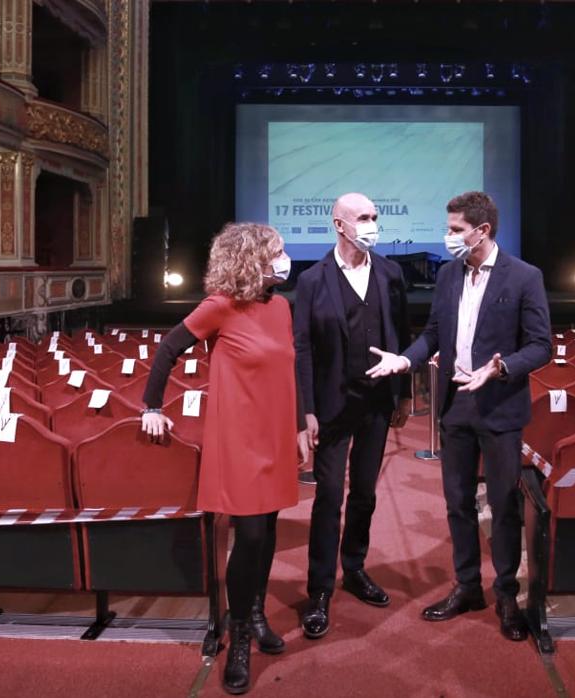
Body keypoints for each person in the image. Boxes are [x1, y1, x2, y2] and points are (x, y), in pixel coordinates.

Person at [366, 191, 552, 642]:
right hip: (455, 406)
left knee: (504, 506)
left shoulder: (525, 277)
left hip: (500, 406)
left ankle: (506, 593)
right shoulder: (449, 275)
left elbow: (541, 344)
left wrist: (501, 366)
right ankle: (468, 586)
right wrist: (404, 361)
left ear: (481, 230)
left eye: (455, 230)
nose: (447, 237)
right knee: (457, 503)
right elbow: (432, 334)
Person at [141, 222, 309, 694]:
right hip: (238, 440)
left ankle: (256, 615)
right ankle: (237, 638)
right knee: (250, 534)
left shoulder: (280, 307)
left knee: (268, 529)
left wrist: (298, 427)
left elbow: (288, 371)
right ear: (252, 258)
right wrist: (152, 406)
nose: (285, 258)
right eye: (277, 251)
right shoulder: (220, 307)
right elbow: (168, 349)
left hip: (275, 437)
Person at [293, 192, 412, 639]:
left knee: (364, 493)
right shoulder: (312, 280)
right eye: (363, 217)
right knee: (328, 497)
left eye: (375, 217)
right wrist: (305, 410)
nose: (372, 224)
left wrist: (401, 396)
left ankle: (355, 569)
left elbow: (401, 335)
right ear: (339, 225)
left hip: (378, 404)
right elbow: (301, 347)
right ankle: (319, 590)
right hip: (330, 408)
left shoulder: (391, 273)